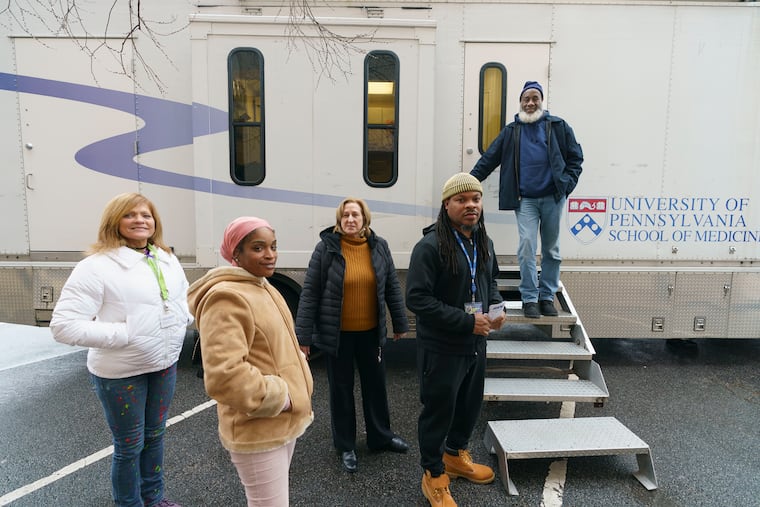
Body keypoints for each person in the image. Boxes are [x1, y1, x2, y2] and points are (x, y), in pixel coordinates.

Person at [50, 192, 193, 507]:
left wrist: (185, 316)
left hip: (164, 364)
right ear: (114, 222)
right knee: (129, 446)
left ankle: (154, 498)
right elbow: (63, 326)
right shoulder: (97, 266)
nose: (140, 220)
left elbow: (181, 298)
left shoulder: (166, 258)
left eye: (146, 214)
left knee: (155, 437)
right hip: (120, 373)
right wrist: (127, 333)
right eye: (130, 215)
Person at [187, 217, 314, 507]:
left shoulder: (262, 286)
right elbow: (225, 376)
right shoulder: (227, 297)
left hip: (278, 421)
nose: (269, 255)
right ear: (236, 254)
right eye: (258, 248)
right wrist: (282, 397)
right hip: (257, 426)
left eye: (273, 246)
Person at [406, 173, 506, 507]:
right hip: (443, 346)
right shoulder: (430, 246)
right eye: (461, 200)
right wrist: (466, 321)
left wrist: (496, 308)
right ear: (447, 205)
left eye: (475, 199)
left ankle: (454, 456)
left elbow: (490, 280)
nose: (470, 206)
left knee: (468, 405)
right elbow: (417, 299)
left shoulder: (483, 241)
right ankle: (433, 474)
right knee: (439, 411)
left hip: (476, 342)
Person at [295, 197, 410, 473]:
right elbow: (310, 294)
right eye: (345, 215)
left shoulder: (379, 247)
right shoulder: (326, 249)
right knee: (341, 391)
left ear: (364, 219)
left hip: (370, 333)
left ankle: (380, 437)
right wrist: (304, 337)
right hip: (338, 336)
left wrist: (400, 323)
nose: (350, 219)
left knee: (376, 387)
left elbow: (392, 286)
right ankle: (346, 445)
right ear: (339, 219)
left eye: (355, 215)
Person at [471, 80, 583, 318]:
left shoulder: (558, 126)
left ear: (541, 101)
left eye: (535, 98)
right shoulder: (512, 131)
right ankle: (530, 298)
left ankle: (546, 297)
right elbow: (489, 159)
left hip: (552, 198)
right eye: (526, 99)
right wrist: (468, 182)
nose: (531, 103)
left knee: (552, 250)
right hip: (526, 201)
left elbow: (576, 158)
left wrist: (566, 187)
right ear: (520, 103)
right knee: (527, 248)